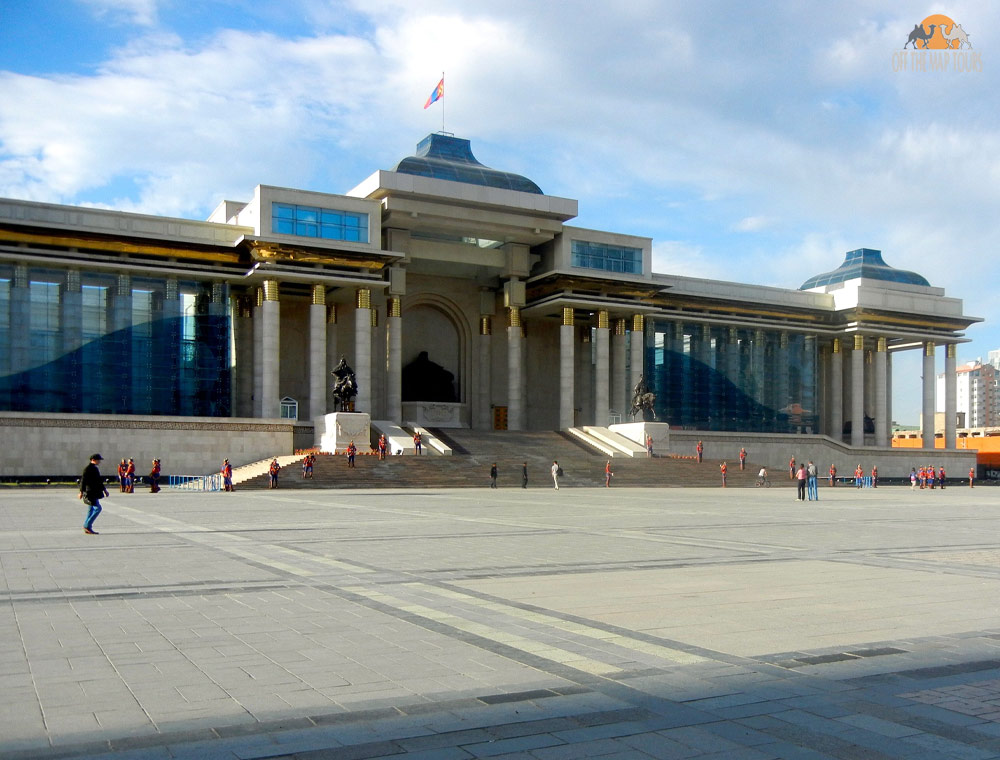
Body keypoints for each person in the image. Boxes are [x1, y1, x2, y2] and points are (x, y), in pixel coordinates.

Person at [80, 453, 109, 535]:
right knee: (98, 508)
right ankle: (87, 525)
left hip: (94, 492)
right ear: (93, 460)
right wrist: (81, 492)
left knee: (91, 510)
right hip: (90, 492)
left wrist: (105, 490)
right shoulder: (88, 469)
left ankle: (87, 527)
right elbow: (83, 481)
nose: (99, 461)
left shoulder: (95, 469)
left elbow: (99, 481)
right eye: (98, 460)